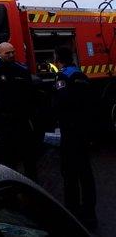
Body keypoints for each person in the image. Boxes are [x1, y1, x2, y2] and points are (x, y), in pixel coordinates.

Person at [53, 46, 97, 230]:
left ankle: (72, 212)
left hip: (70, 134)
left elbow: (61, 103)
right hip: (83, 132)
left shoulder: (62, 77)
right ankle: (90, 214)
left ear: (58, 59)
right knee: (86, 174)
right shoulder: (81, 76)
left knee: (70, 174)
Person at [0, 41, 39, 179]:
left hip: (21, 119)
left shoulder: (22, 70)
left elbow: (30, 94)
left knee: (28, 156)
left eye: (13, 52)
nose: (11, 55)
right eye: (8, 53)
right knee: (8, 157)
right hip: (4, 121)